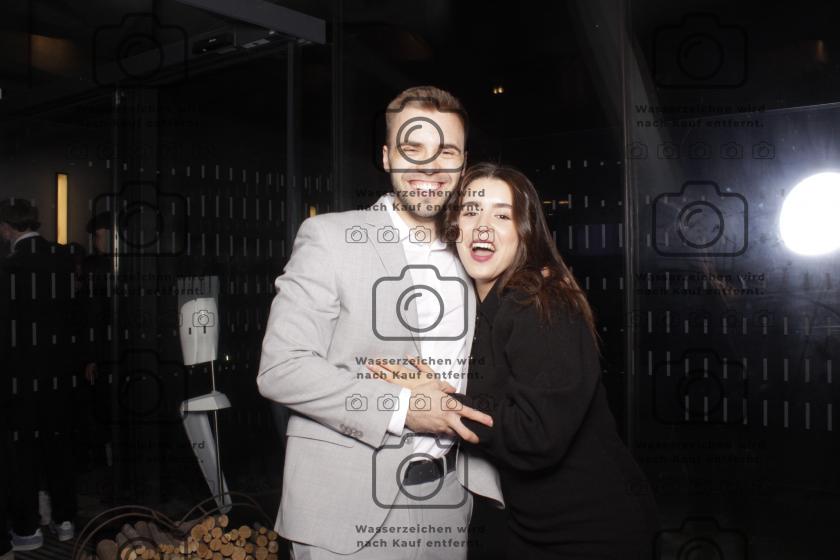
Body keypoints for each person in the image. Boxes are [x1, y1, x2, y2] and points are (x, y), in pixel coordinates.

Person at [257, 86, 504, 560]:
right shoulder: (330, 238)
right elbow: (281, 368)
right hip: (343, 510)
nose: (430, 167)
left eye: (446, 152)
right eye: (413, 149)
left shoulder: (474, 254)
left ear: (463, 163)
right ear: (387, 157)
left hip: (447, 502)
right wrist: (403, 407)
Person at [369, 163, 660, 559]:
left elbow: (537, 433)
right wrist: (436, 387)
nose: (483, 227)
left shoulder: (537, 301)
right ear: (453, 227)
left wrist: (439, 404)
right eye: (471, 212)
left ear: (525, 231)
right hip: (535, 527)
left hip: (593, 530)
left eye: (502, 216)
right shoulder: (486, 305)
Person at [0, 199, 78, 550]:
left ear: (7, 228)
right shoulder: (64, 259)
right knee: (59, 446)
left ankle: (27, 528)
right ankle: (65, 520)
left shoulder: (10, 265)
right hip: (59, 371)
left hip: (18, 373)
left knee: (22, 452)